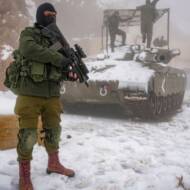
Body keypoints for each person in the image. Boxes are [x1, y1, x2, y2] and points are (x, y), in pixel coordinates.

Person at [5, 3, 78, 190]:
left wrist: (67, 72)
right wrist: (59, 59)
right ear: (39, 16)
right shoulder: (29, 34)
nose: (51, 17)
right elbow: (30, 51)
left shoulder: (58, 40)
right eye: (47, 14)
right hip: (30, 93)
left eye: (54, 14)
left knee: (54, 130)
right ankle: (25, 176)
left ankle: (54, 163)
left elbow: (57, 66)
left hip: (52, 94)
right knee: (28, 135)